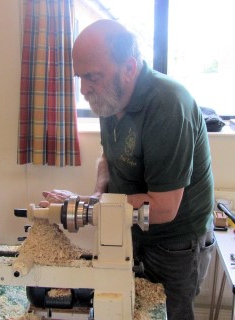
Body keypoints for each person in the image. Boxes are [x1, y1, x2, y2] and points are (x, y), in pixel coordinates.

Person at [41, 20, 215, 320]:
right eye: (80, 77)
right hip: (132, 230)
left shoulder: (169, 106)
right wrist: (95, 195)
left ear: (129, 68)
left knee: (166, 314)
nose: (84, 89)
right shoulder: (110, 97)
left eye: (92, 77)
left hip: (176, 244)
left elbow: (162, 209)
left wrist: (84, 208)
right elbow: (109, 154)